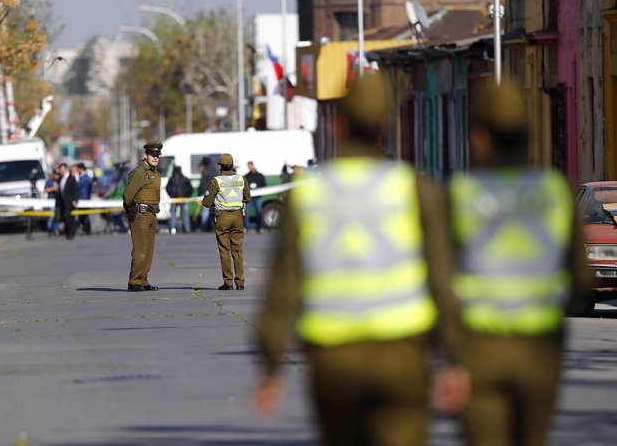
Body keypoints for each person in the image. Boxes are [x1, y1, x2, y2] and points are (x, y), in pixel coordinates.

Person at [253, 73, 457, 446]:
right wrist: (455, 361)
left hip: (334, 361)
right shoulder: (414, 189)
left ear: (338, 123)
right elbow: (443, 281)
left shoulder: (308, 196)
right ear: (386, 126)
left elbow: (283, 288)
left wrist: (269, 366)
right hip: (402, 357)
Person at [440, 78, 592, 446]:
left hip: (479, 351)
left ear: (480, 136)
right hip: (538, 352)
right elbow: (583, 279)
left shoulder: (461, 194)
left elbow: (441, 284)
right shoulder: (553, 190)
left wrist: (450, 356)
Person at [201, 153, 251, 290]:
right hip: (238, 217)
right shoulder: (241, 179)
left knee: (224, 250)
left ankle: (228, 283)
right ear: (232, 165)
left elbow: (206, 202)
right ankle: (240, 283)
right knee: (238, 250)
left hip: (222, 218)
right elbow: (248, 198)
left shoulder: (216, 181)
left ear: (220, 166)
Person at [123, 141, 162, 292]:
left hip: (152, 213)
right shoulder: (140, 172)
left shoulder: (154, 173)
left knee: (149, 250)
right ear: (145, 155)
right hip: (141, 214)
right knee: (140, 249)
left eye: (157, 155)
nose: (155, 157)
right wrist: (130, 210)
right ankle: (134, 281)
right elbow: (128, 195)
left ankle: (143, 279)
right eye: (153, 155)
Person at [166, 165, 194, 234]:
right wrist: (187, 196)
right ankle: (187, 228)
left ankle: (172, 228)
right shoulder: (185, 179)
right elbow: (191, 189)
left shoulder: (171, 179)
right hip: (183, 198)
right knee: (185, 214)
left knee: (172, 214)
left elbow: (167, 188)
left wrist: (171, 195)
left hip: (174, 199)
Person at [244, 161, 266, 233]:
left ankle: (259, 228)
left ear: (253, 165)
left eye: (250, 166)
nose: (250, 167)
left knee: (259, 212)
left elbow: (264, 185)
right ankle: (246, 228)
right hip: (249, 197)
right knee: (246, 213)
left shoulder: (260, 175)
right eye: (248, 166)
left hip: (258, 197)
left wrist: (258, 189)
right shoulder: (246, 176)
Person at [57, 162, 78, 240]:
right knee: (64, 218)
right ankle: (67, 232)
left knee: (69, 217)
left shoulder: (71, 178)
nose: (61, 171)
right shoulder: (61, 179)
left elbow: (75, 190)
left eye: (62, 169)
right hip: (62, 202)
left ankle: (71, 233)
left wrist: (75, 200)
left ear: (65, 169)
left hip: (69, 201)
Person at [198, 157, 218, 232]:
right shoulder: (216, 170)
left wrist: (200, 193)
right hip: (215, 193)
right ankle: (214, 226)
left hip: (207, 193)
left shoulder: (205, 171)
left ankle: (204, 226)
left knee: (205, 211)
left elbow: (202, 184)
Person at [76, 162, 93, 235]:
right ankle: (85, 228)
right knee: (82, 215)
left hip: (84, 198)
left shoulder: (85, 178)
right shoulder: (85, 177)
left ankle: (87, 228)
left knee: (84, 215)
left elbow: (79, 186)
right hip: (82, 198)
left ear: (81, 169)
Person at [43, 169, 60, 237]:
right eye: (55, 174)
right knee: (51, 217)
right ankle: (50, 229)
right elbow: (45, 190)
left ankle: (56, 230)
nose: (56, 176)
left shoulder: (59, 181)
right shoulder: (49, 181)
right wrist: (53, 189)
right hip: (51, 201)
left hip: (57, 201)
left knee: (57, 217)